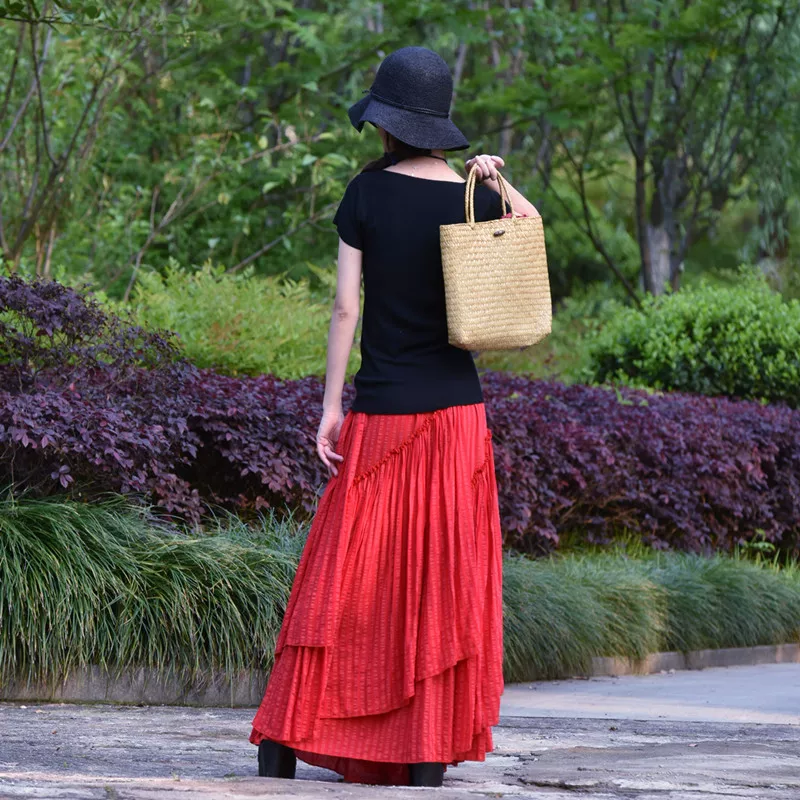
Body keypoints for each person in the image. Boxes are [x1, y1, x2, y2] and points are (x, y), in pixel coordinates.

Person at [249, 45, 540, 788]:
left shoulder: (365, 194)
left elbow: (345, 308)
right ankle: (423, 750)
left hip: (380, 413)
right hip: (456, 419)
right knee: (439, 578)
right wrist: (495, 178)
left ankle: (284, 739)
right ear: (439, 124)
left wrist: (329, 406)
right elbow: (531, 231)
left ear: (386, 123)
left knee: (342, 577)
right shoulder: (471, 198)